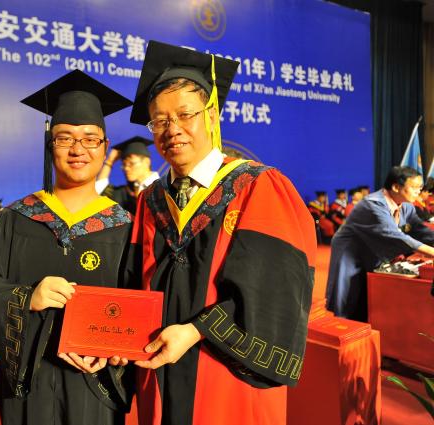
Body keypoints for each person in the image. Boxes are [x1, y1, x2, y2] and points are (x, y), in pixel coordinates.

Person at [123, 40, 316, 425]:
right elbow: (132, 281)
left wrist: (195, 332)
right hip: (157, 364)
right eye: (159, 121)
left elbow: (273, 291)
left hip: (224, 370)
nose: (172, 130)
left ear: (211, 115)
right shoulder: (151, 200)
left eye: (184, 115)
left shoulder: (257, 186)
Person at [0, 70, 134, 425]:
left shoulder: (125, 226)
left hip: (96, 382)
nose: (78, 149)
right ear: (49, 144)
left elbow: (142, 299)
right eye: (64, 138)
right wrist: (27, 299)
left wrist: (118, 350)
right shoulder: (16, 218)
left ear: (105, 147)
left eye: (90, 139)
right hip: (31, 382)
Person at [326, 166, 434, 321]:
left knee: (367, 292)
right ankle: (343, 326)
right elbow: (394, 235)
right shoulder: (373, 204)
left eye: (420, 187)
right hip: (351, 250)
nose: (419, 191)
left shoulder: (406, 206)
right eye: (415, 187)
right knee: (347, 293)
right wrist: (431, 251)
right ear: (396, 187)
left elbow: (420, 230)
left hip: (373, 249)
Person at [95, 136, 159, 214]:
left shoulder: (163, 186)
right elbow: (97, 192)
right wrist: (109, 162)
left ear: (146, 162)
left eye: (131, 163)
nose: (126, 168)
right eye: (124, 165)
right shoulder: (123, 193)